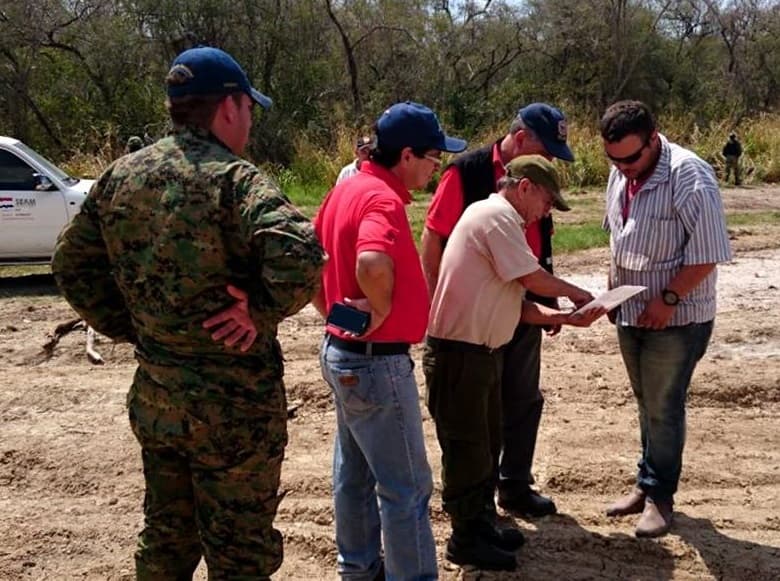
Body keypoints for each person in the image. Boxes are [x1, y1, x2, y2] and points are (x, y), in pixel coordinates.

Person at [52, 46, 324, 579]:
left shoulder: (121, 176)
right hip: (234, 411)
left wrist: (135, 324)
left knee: (166, 542)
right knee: (240, 554)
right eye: (250, 108)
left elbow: (70, 263)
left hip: (159, 399)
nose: (249, 121)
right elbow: (300, 252)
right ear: (229, 107)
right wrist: (260, 311)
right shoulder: (235, 179)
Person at [424, 155, 604, 572]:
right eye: (546, 201)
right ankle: (465, 539)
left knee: (486, 446)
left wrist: (560, 317)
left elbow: (517, 302)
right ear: (524, 187)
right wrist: (578, 295)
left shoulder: (500, 221)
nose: (546, 212)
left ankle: (481, 524)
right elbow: (533, 280)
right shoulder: (496, 216)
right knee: (468, 451)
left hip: (478, 354)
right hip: (460, 355)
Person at [313, 101, 466, 580]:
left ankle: (358, 571)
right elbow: (372, 262)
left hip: (344, 354)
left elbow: (312, 264)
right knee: (406, 489)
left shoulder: (346, 189)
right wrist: (377, 313)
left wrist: (335, 313)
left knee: (354, 478)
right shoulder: (380, 198)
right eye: (432, 158)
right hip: (376, 364)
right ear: (405, 155)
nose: (435, 167)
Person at [421, 102, 575, 519]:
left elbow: (537, 252)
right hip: (471, 319)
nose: (550, 162)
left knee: (520, 401)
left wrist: (549, 306)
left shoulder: (530, 190)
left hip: (516, 304)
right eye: (546, 152)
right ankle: (476, 513)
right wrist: (438, 304)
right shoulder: (467, 173)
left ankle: (513, 485)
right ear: (521, 139)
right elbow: (434, 238)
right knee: (474, 419)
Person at [600, 100, 732, 538]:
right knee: (646, 403)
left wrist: (669, 299)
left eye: (631, 158)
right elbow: (616, 237)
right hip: (632, 312)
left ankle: (660, 497)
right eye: (613, 159)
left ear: (653, 139)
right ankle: (646, 483)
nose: (622, 168)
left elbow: (709, 252)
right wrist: (611, 289)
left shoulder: (690, 176)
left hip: (676, 318)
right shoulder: (621, 173)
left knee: (663, 407)